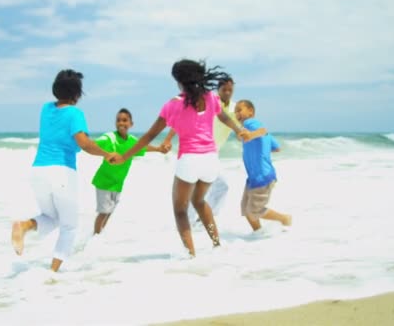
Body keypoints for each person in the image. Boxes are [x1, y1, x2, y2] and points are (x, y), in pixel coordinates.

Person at [110, 59, 265, 257]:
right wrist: (239, 129)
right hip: (210, 160)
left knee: (180, 209)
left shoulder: (173, 105)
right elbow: (224, 117)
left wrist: (124, 156)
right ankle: (217, 244)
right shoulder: (210, 97)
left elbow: (149, 135)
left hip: (189, 161)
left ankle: (190, 254)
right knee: (199, 201)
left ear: (179, 81)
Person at [11, 69, 116, 272]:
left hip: (38, 171)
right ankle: (53, 273)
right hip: (62, 173)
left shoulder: (45, 109)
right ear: (77, 94)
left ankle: (23, 226)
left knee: (51, 218)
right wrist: (106, 154)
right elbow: (84, 143)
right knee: (69, 226)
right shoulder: (75, 114)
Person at [161, 76, 237, 221]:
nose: (227, 92)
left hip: (211, 156)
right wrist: (168, 139)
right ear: (218, 89)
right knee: (194, 189)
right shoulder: (208, 101)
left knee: (222, 187)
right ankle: (188, 222)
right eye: (224, 89)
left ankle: (204, 219)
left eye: (230, 90)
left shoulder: (234, 108)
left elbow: (242, 120)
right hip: (194, 153)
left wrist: (245, 133)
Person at [92, 108, 167, 235]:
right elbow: (92, 145)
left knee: (109, 211)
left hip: (118, 183)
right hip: (104, 181)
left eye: (125, 120)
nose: (121, 123)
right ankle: (95, 236)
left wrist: (158, 149)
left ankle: (99, 235)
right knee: (104, 212)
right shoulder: (109, 138)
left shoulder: (132, 140)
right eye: (118, 120)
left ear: (131, 124)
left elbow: (143, 147)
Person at [234, 99, 292, 231]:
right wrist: (260, 147)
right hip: (254, 178)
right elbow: (277, 148)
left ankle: (284, 219)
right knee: (246, 210)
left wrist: (251, 134)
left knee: (254, 211)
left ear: (250, 111)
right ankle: (259, 235)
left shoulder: (250, 123)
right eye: (235, 111)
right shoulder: (251, 129)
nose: (237, 113)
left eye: (239, 110)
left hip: (262, 176)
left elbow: (263, 130)